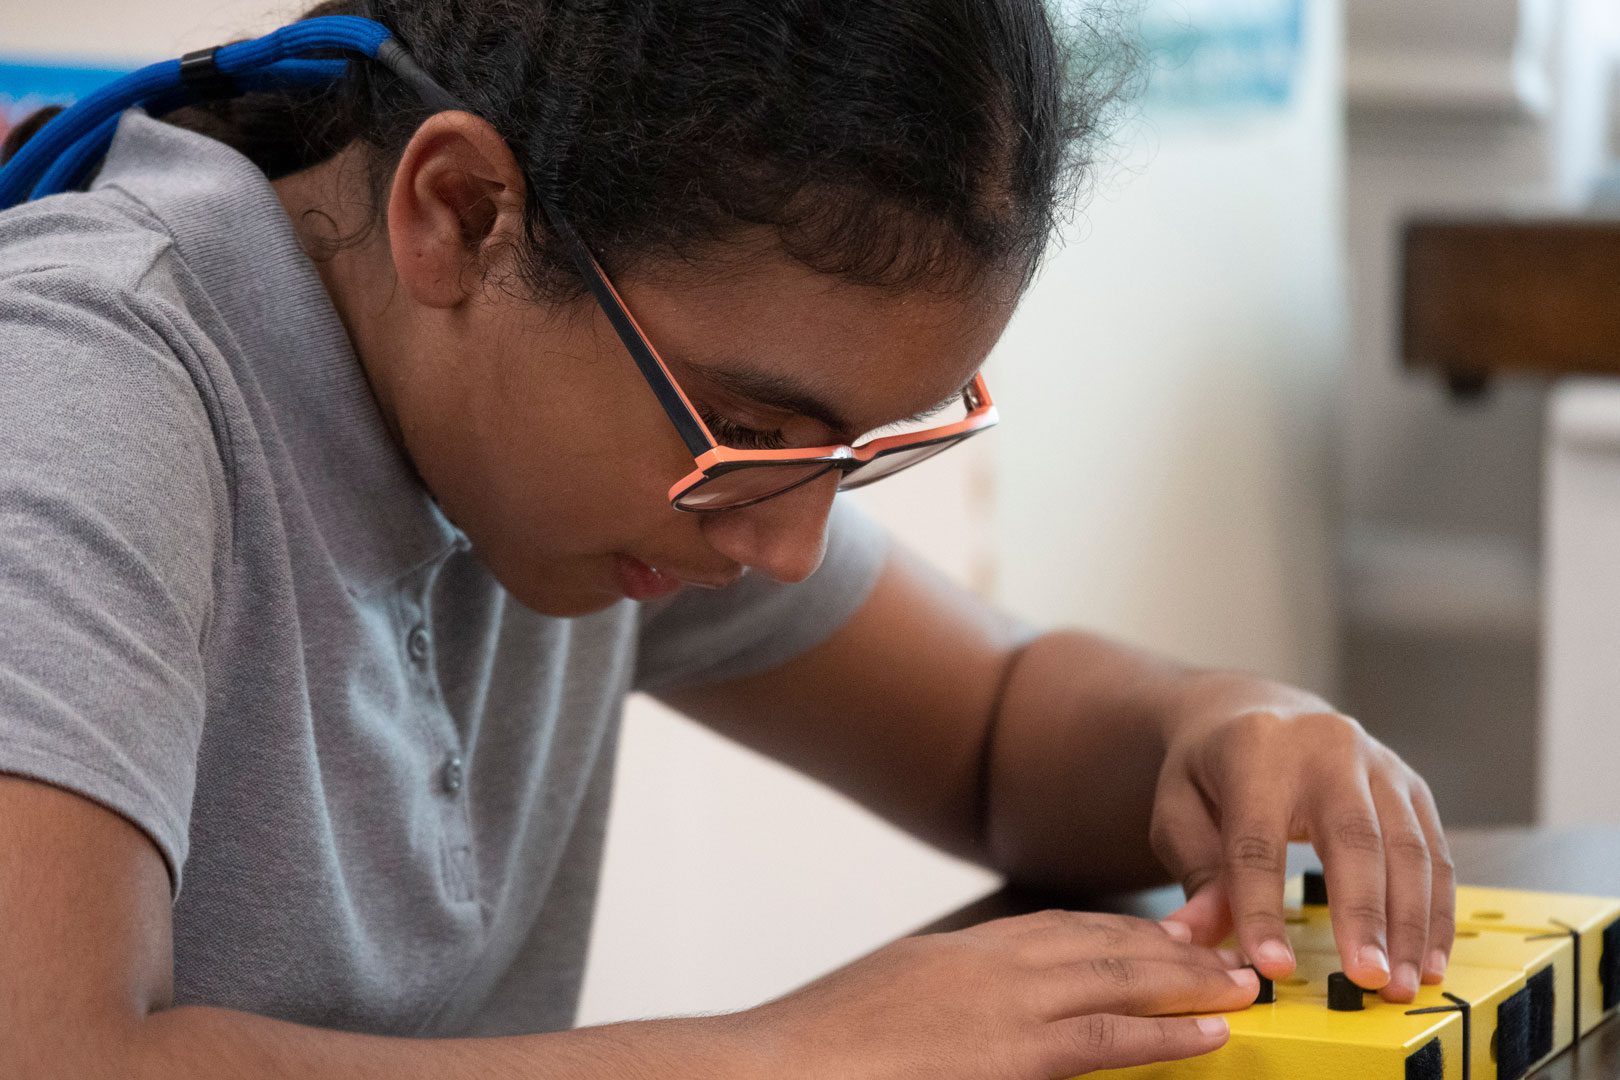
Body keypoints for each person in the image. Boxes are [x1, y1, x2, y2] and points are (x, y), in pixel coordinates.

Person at [0, 1, 1453, 1076]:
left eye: (858, 452)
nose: (791, 545)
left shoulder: (566, 452)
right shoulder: (91, 382)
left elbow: (998, 736)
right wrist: (783, 1055)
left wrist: (1216, 724)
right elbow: (55, 1055)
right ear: (460, 214)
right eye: (756, 426)